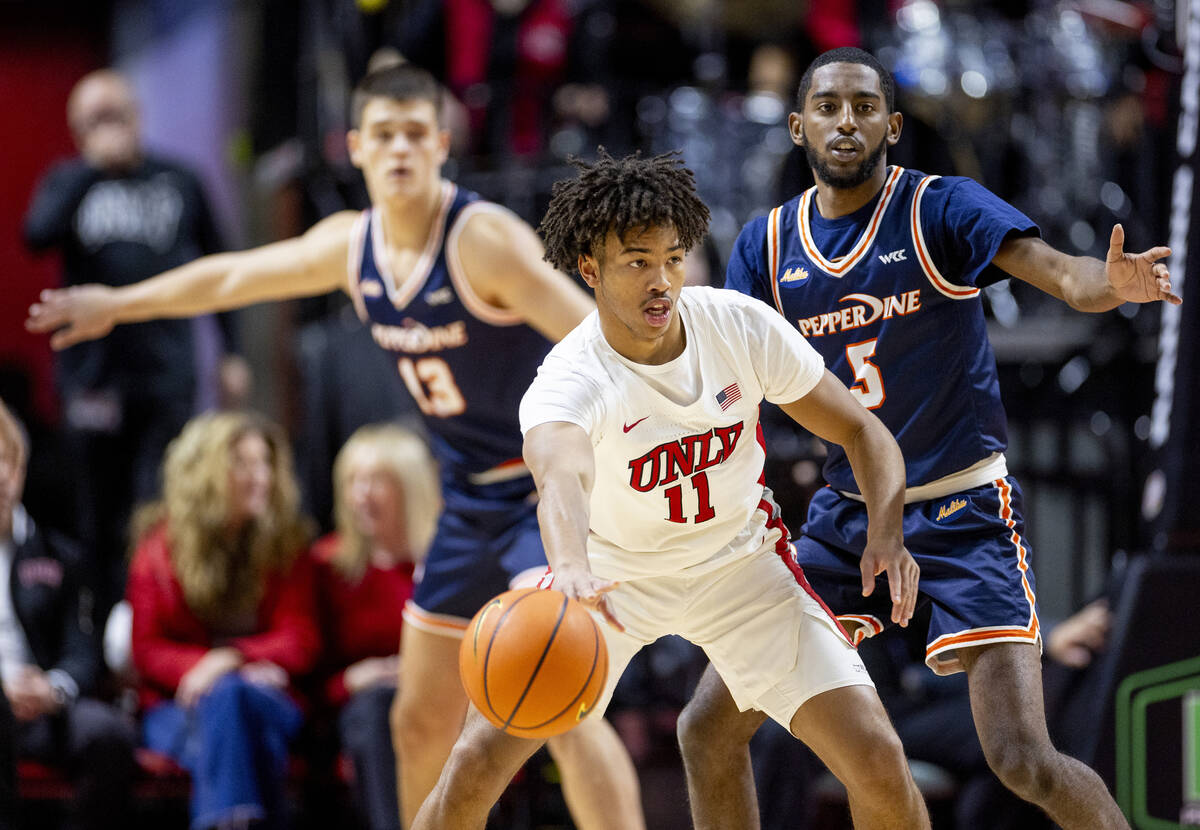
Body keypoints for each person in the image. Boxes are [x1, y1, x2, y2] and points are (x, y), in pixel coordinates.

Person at [26, 62, 643, 830]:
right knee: (417, 719)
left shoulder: (482, 239)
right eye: (383, 135)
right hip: (464, 502)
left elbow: (605, 345)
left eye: (416, 135)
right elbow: (233, 279)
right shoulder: (351, 247)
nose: (399, 151)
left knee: (564, 707)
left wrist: (635, 461)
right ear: (355, 146)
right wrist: (118, 302)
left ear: (442, 144)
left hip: (540, 492)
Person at [675, 47, 1179, 830]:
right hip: (844, 520)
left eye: (865, 107)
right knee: (707, 727)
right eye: (831, 107)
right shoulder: (766, 246)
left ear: (893, 125)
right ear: (799, 125)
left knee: (1021, 758)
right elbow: (721, 387)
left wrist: (1109, 284)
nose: (848, 121)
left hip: (962, 510)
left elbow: (1063, 273)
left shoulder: (939, 208)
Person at [411, 150, 929, 829]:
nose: (661, 281)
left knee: (879, 761)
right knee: (474, 762)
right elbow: (559, 479)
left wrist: (887, 532)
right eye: (637, 262)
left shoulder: (737, 326)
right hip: (609, 579)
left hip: (742, 568)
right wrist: (566, 568)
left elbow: (863, 433)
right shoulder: (568, 379)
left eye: (673, 259)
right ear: (590, 270)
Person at [22, 69, 248, 618]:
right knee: (97, 512)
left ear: (137, 115)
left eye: (117, 113)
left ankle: (148, 625)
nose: (110, 127)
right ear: (78, 130)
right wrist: (90, 169)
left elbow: (220, 265)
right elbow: (36, 235)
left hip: (165, 375)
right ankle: (98, 633)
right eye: (95, 119)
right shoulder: (69, 180)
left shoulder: (179, 179)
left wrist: (232, 350)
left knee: (156, 508)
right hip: (93, 381)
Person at [127, 411, 320, 829]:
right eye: (243, 464)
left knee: (232, 699)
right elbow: (145, 649)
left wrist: (227, 660)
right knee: (251, 741)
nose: (260, 477)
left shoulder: (287, 543)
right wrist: (207, 672)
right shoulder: (159, 548)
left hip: (268, 700)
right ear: (205, 475)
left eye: (264, 463)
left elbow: (301, 640)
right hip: (178, 709)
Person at [0, 397, 136, 830]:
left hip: (42, 706)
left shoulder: (59, 556)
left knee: (109, 733)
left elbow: (82, 648)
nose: (3, 476)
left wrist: (54, 688)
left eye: (11, 462)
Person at [311, 424, 439, 830]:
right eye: (353, 480)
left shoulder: (445, 565)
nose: (361, 494)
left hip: (439, 702)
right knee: (381, 705)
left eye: (376, 481)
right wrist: (352, 679)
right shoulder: (327, 565)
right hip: (356, 711)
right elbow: (308, 671)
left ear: (411, 488)